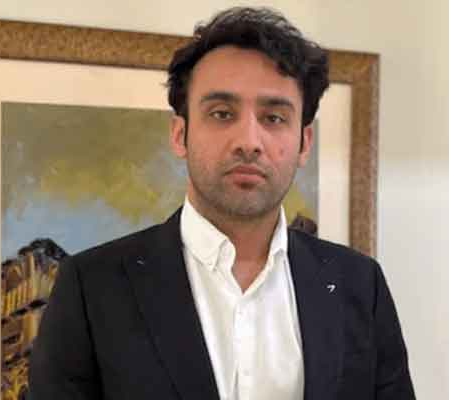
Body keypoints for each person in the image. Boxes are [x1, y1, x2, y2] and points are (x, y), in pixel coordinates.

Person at [28, 7, 415, 400]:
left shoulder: (360, 285)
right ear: (180, 135)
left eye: (274, 118)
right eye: (222, 113)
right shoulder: (93, 287)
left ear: (304, 143)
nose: (249, 141)